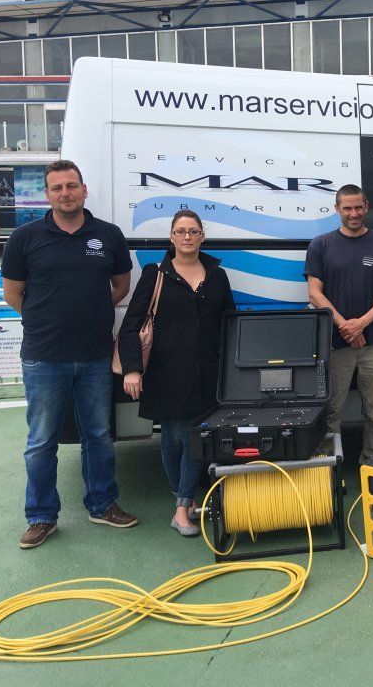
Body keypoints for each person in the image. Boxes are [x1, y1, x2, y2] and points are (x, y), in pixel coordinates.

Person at [1, 159, 137, 549]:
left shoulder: (107, 236)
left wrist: (88, 315)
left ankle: (102, 504)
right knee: (41, 440)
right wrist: (48, 319)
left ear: (84, 189)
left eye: (72, 186)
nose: (66, 193)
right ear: (47, 194)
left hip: (95, 356)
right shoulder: (25, 238)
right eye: (57, 187)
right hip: (44, 357)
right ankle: (42, 516)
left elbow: (120, 287)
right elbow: (13, 294)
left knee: (98, 435)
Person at [118, 209, 235, 537]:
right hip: (166, 372)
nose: (187, 237)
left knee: (193, 438)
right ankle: (182, 500)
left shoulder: (216, 275)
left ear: (202, 237)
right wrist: (131, 370)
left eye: (193, 231)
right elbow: (131, 324)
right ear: (171, 237)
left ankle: (182, 508)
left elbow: (230, 321)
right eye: (181, 231)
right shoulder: (156, 274)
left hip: (207, 373)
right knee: (171, 438)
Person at [305, 184, 373, 464]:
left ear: (367, 206)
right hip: (335, 342)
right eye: (347, 208)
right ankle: (329, 467)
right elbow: (314, 293)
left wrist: (360, 324)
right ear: (337, 209)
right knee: (331, 410)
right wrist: (345, 326)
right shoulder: (321, 245)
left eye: (358, 207)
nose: (353, 213)